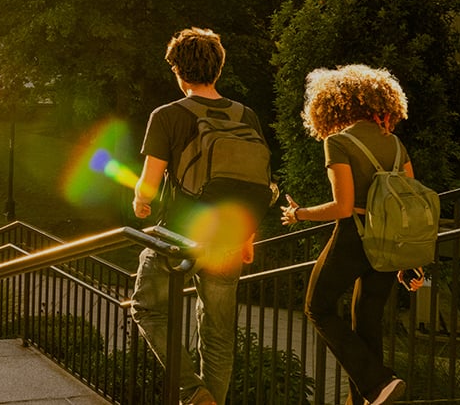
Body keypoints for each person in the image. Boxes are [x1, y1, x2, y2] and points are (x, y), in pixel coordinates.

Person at [132, 27, 265, 405]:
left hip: (180, 236)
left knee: (146, 308)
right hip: (229, 238)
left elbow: (148, 185)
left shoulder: (167, 116)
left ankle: (191, 391)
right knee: (219, 336)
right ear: (218, 69)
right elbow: (251, 181)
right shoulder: (247, 116)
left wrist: (140, 204)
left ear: (177, 70)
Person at [279, 64, 425, 405]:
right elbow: (409, 205)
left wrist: (298, 214)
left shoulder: (338, 142)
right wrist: (409, 263)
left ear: (334, 106)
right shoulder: (397, 144)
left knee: (317, 307)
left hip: (355, 237)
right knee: (367, 321)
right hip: (389, 241)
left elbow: (343, 207)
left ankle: (376, 382)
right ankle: (373, 394)